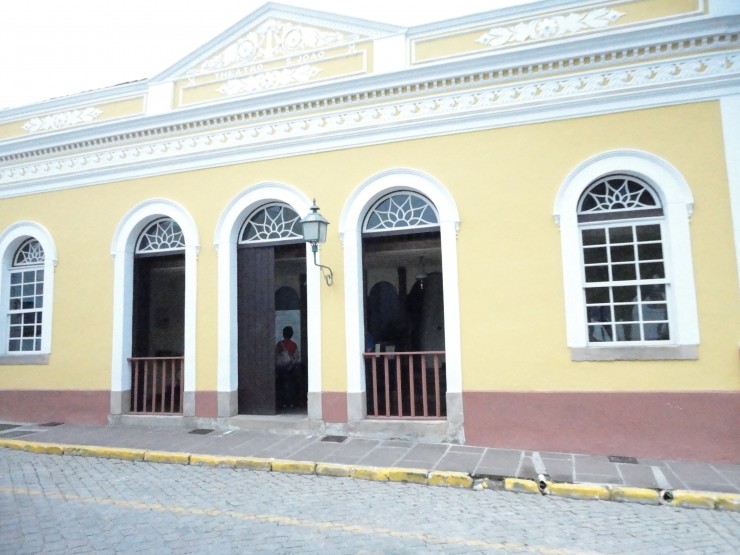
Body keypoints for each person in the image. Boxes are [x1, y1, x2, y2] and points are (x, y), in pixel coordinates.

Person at [275, 326, 299, 408]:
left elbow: (276, 356)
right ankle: (291, 403)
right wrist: (291, 365)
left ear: (284, 334)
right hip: (291, 369)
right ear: (291, 334)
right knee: (290, 386)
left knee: (281, 386)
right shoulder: (294, 345)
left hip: (281, 370)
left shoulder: (280, 344)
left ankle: (282, 403)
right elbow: (296, 357)